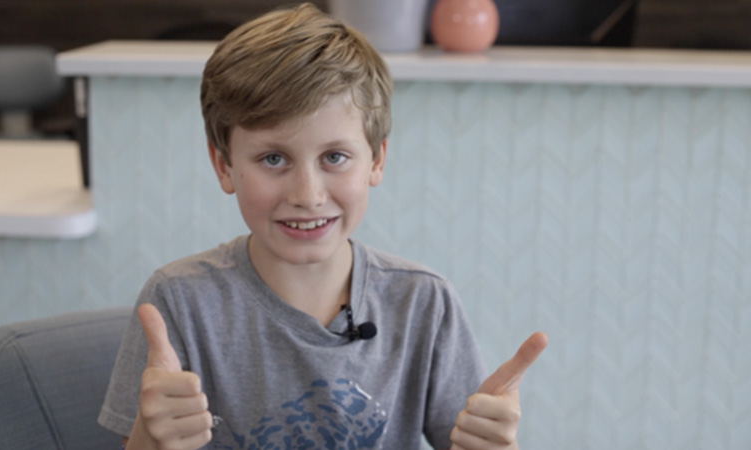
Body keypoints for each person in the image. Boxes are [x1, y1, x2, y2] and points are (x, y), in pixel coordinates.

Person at [98, 3, 548, 449]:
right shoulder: (178, 302)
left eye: (334, 157)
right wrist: (150, 441)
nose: (308, 194)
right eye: (273, 159)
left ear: (376, 160)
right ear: (224, 165)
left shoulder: (424, 304)